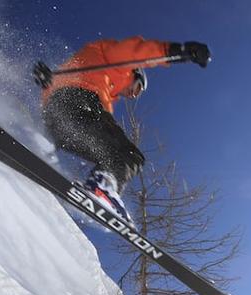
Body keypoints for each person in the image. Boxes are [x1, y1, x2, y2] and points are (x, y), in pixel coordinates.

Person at [38, 37, 211, 222]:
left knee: (109, 153)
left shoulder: (104, 95)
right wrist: (180, 51)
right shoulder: (118, 64)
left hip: (59, 123)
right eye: (137, 88)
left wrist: (49, 82)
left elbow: (63, 84)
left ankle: (44, 149)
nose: (134, 95)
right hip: (79, 103)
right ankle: (101, 187)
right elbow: (138, 52)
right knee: (130, 156)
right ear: (134, 73)